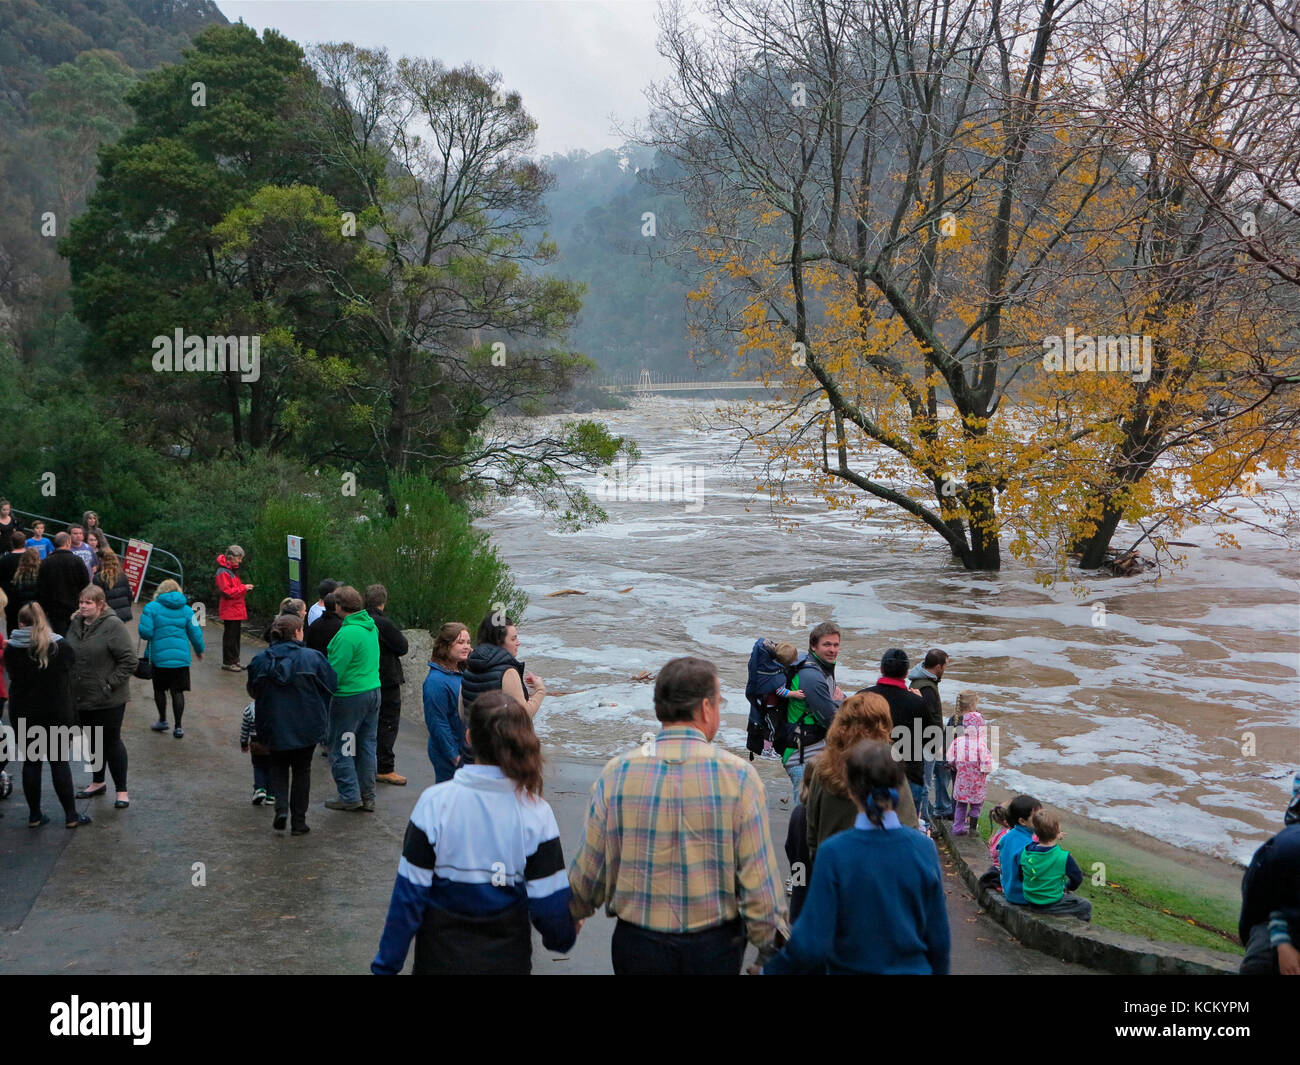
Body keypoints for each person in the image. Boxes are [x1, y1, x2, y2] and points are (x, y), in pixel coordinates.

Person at [568, 656, 788, 975]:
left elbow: (591, 867)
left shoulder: (617, 772)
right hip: (713, 947)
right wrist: (770, 946)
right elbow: (757, 880)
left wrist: (571, 913)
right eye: (719, 702)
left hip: (637, 945)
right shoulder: (739, 777)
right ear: (705, 708)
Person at [372, 691, 577, 974]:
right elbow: (549, 907)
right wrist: (564, 933)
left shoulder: (434, 803)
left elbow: (408, 898)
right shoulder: (535, 812)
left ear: (469, 738)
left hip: (439, 963)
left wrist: (386, 966)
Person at [763, 740, 950, 975]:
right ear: (899, 784)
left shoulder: (834, 852)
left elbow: (812, 942)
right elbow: (939, 939)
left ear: (850, 790)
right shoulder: (924, 849)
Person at [246, 614, 337, 835]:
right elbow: (332, 684)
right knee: (302, 770)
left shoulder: (260, 661)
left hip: (272, 724)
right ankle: (299, 821)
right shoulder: (313, 658)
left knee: (277, 766)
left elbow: (252, 691)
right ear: (298, 632)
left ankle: (281, 808)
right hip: (307, 725)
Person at [806, 693, 920, 868]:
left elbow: (812, 834)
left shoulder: (822, 768)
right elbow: (909, 825)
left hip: (833, 868)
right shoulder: (888, 769)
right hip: (881, 873)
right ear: (883, 726)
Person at [4, 602, 91, 828]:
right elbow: (72, 666)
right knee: (59, 763)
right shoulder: (59, 646)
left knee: (31, 763)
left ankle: (34, 815)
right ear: (43, 620)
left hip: (25, 712)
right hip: (56, 712)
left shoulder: (12, 648)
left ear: (20, 623)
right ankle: (71, 815)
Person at [65, 584, 136, 808]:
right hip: (82, 695)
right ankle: (97, 782)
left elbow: (129, 661)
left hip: (109, 698)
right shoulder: (75, 623)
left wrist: (109, 683)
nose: (83, 606)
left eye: (88, 602)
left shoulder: (113, 626)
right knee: (93, 740)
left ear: (100, 604)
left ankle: (122, 791)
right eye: (81, 602)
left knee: (112, 742)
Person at [324, 585, 381, 812]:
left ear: (339, 606)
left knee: (343, 746)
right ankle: (368, 795)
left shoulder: (347, 634)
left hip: (350, 696)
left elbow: (334, 670)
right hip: (373, 691)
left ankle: (349, 795)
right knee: (366, 744)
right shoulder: (370, 627)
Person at [1239, 771, 1300, 976]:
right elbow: (1265, 902)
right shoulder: (1286, 850)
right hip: (1282, 931)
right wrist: (1283, 943)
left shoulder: (1283, 846)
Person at [861, 649, 933, 822]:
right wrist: (921, 701)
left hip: (870, 774)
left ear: (881, 668)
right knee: (906, 832)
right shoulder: (917, 702)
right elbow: (930, 738)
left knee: (871, 830)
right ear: (907, 672)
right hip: (908, 776)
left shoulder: (863, 698)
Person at [782, 621, 846, 800]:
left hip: (813, 752)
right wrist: (840, 701)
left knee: (815, 817)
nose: (833, 650)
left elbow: (840, 700)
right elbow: (832, 720)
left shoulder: (822, 669)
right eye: (827, 644)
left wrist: (839, 700)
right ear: (813, 646)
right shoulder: (811, 676)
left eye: (836, 645)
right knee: (805, 818)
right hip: (801, 757)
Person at [137, 579, 204, 737]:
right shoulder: (188, 610)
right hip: (180, 659)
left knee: (159, 689)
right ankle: (179, 726)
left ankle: (162, 720)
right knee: (178, 692)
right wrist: (199, 650)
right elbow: (196, 633)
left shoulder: (151, 608)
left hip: (159, 658)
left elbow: (145, 633)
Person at [460, 613, 546, 720]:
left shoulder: (470, 666)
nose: (518, 643)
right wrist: (540, 690)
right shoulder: (507, 672)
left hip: (474, 734)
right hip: (501, 736)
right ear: (499, 642)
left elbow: (462, 712)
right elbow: (523, 715)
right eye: (513, 639)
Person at [366, 584, 409, 786]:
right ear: (384, 601)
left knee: (368, 723)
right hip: (387, 679)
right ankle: (385, 768)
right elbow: (402, 647)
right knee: (388, 723)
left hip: (366, 678)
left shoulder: (360, 621)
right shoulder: (383, 623)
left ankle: (366, 764)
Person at [1019, 809, 1092, 921]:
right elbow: (1077, 878)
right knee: (1085, 905)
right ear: (1058, 829)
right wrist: (1068, 887)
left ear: (1035, 831)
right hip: (1049, 903)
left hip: (1029, 898)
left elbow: (1021, 874)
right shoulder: (1063, 857)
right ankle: (1080, 930)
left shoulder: (1026, 851)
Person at [424, 622, 472, 783]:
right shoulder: (436, 682)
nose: (466, 647)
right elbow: (437, 722)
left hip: (464, 749)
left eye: (468, 642)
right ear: (445, 646)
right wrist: (453, 755)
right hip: (449, 753)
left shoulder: (461, 671)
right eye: (460, 643)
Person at [909, 648, 951, 822]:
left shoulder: (921, 681)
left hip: (921, 740)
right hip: (926, 742)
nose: (945, 670)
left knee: (931, 777)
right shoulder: (926, 687)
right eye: (945, 666)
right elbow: (926, 717)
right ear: (939, 667)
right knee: (925, 784)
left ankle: (934, 810)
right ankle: (925, 821)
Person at [947, 695, 993, 836]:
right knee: (976, 806)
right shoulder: (981, 745)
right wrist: (984, 773)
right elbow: (987, 765)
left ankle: (957, 828)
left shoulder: (958, 741)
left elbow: (950, 759)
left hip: (961, 781)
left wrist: (955, 766)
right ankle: (972, 829)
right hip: (976, 783)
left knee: (960, 805)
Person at [37, 533, 91, 637]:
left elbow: (41, 587)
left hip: (53, 608)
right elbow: (86, 583)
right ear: (68, 543)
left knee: (58, 637)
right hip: (74, 606)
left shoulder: (46, 562)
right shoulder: (77, 561)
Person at [998, 794, 1044, 904]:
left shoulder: (1007, 836)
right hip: (1021, 896)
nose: (1041, 819)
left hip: (1008, 889)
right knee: (1082, 905)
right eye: (1036, 817)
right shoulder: (1028, 846)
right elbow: (1033, 875)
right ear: (1022, 821)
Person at [215, 545, 252, 671]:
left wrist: (243, 587)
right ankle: (228, 662)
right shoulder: (223, 572)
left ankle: (235, 660)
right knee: (230, 636)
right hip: (230, 608)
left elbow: (232, 588)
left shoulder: (230, 570)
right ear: (231, 557)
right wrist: (243, 588)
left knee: (235, 636)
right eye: (239, 558)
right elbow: (227, 592)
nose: (240, 561)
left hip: (235, 608)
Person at [92, 548, 134, 623]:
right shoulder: (122, 575)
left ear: (101, 560)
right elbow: (129, 595)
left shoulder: (98, 578)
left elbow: (97, 600)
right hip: (122, 615)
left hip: (106, 616)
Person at [7, 547, 41, 631]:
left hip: (21, 608)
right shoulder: (41, 573)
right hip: (36, 608)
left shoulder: (18, 574)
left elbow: (14, 592)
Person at [0, 530, 27, 631]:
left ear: (11, 543)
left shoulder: (5, 559)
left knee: (11, 624)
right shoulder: (30, 557)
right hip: (28, 597)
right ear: (25, 542)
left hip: (10, 597)